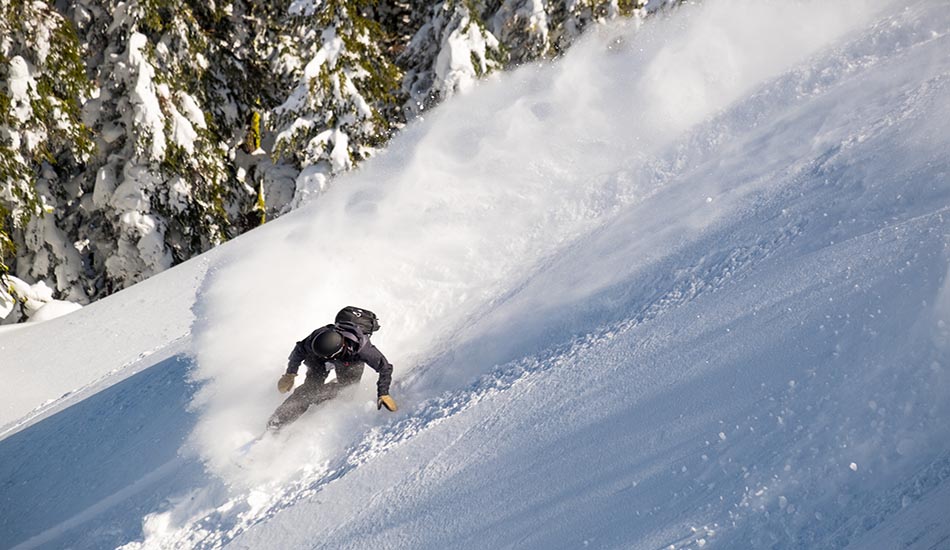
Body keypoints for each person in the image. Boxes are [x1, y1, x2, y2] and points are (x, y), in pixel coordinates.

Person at [267, 306, 397, 430]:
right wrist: (290, 374)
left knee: (346, 392)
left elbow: (385, 368)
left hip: (349, 362)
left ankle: (328, 392)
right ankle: (278, 420)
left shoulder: (363, 350)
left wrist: (383, 393)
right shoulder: (316, 338)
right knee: (309, 390)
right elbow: (299, 350)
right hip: (317, 358)